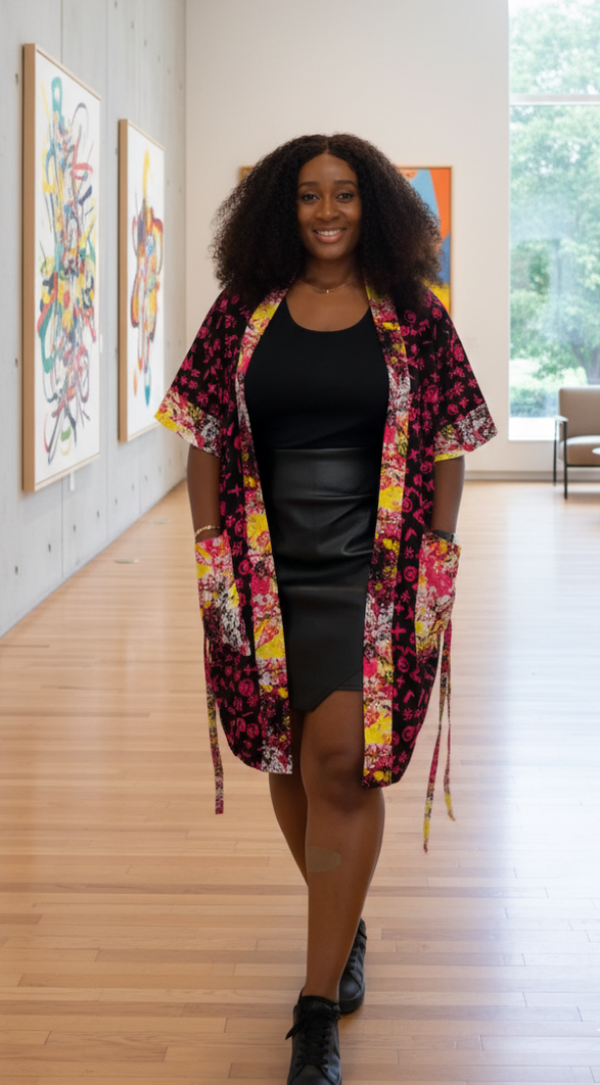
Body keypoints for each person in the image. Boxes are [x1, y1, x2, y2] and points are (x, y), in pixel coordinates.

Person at [156, 133, 497, 1085]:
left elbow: (451, 442)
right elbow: (201, 434)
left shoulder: (415, 318)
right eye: (309, 195)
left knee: (343, 762)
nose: (328, 211)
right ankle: (341, 923)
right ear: (283, 208)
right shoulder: (243, 312)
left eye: (345, 193)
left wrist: (438, 557)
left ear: (373, 206)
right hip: (264, 573)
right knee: (289, 758)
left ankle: (315, 1016)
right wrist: (209, 552)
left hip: (375, 574)